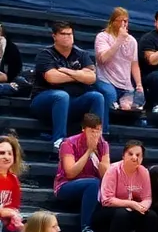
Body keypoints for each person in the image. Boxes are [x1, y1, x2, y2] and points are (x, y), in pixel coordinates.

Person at [31, 21, 106, 149]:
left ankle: (95, 139)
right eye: (63, 34)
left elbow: (92, 78)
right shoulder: (46, 54)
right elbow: (52, 77)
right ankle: (59, 140)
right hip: (44, 101)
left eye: (70, 34)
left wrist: (67, 71)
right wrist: (80, 75)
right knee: (61, 95)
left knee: (97, 96)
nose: (67, 37)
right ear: (54, 36)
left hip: (73, 101)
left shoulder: (81, 54)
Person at [95, 140, 157, 232]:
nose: (134, 157)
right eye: (130, 154)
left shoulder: (144, 172)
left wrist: (142, 207)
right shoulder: (113, 170)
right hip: (107, 211)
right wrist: (131, 204)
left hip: (130, 209)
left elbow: (147, 198)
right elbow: (107, 200)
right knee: (122, 214)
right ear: (123, 155)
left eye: (138, 155)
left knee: (151, 216)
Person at [53, 113, 109, 232]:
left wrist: (96, 155)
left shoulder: (103, 145)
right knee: (93, 183)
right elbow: (70, 173)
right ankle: (86, 227)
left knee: (100, 185)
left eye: (99, 131)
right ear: (84, 129)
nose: (96, 135)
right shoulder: (68, 143)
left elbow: (106, 175)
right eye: (92, 131)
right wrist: (89, 151)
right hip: (66, 185)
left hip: (92, 186)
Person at [94, 7, 144, 113]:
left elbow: (134, 64)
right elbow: (103, 59)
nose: (123, 24)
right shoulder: (102, 37)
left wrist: (139, 84)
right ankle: (104, 124)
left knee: (131, 107)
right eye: (120, 21)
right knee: (110, 95)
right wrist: (119, 40)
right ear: (113, 22)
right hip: (105, 79)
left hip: (125, 84)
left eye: (125, 21)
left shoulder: (132, 41)